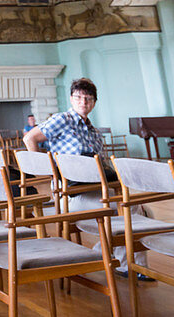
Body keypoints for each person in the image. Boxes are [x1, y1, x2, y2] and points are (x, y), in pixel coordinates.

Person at [23, 77, 151, 279]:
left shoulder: (94, 132)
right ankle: (127, 266)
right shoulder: (62, 119)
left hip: (95, 190)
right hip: (71, 194)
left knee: (144, 210)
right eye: (79, 97)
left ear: (94, 102)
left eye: (89, 98)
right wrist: (50, 171)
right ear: (72, 99)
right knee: (130, 209)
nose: (84, 102)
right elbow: (29, 138)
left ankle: (116, 259)